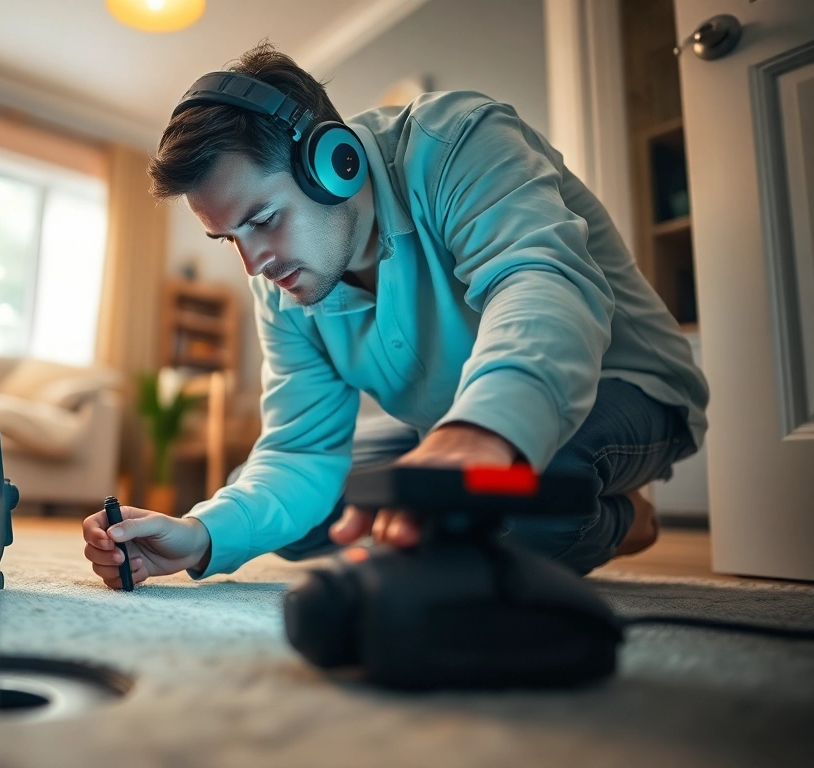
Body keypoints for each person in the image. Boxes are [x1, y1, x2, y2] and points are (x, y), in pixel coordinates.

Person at [82, 43, 708, 589]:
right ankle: (557, 496)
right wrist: (198, 535)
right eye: (230, 239)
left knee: (505, 502)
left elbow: (540, 284)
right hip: (446, 425)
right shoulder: (280, 281)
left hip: (625, 384)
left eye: (263, 220)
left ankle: (623, 518)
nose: (254, 265)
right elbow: (300, 450)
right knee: (284, 510)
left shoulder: (459, 141)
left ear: (336, 164)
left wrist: (482, 434)